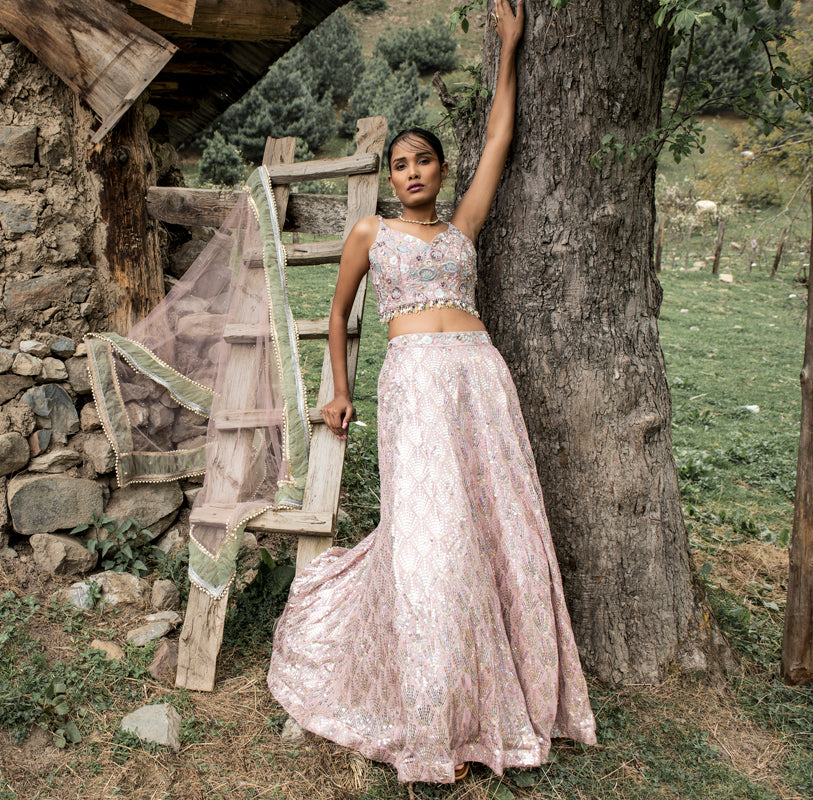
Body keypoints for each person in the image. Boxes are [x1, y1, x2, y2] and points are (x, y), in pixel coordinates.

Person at [266, 0, 597, 784]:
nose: (412, 172)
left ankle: (495, 698)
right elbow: (340, 313)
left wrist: (509, 46)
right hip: (414, 387)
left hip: (480, 379)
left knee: (495, 527)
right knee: (430, 538)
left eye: (424, 162)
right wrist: (341, 392)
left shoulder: (462, 228)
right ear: (392, 179)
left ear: (441, 172)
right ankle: (430, 702)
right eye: (401, 164)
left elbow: (500, 141)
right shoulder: (369, 235)